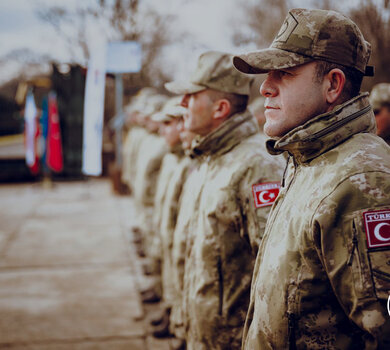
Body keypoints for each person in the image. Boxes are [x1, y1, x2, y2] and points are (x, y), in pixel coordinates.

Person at [233, 8, 390, 349]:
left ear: (333, 84)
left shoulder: (363, 182)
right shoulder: (310, 159)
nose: (265, 87)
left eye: (285, 73)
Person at [165, 50, 284, 350]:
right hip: (203, 337)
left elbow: (274, 277)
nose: (182, 104)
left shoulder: (257, 166)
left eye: (191, 96)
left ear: (219, 108)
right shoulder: (209, 158)